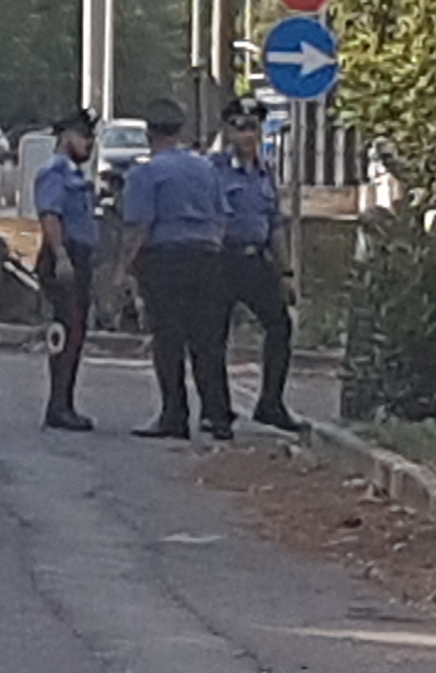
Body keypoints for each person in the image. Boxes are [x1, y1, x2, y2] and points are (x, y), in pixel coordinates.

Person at [121, 99, 233, 440]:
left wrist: (122, 270)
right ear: (180, 131)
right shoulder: (206, 169)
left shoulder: (145, 173)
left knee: (168, 339)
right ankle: (216, 415)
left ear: (148, 134)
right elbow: (222, 216)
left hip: (166, 259)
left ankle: (174, 414)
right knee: (208, 340)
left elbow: (139, 226)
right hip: (207, 257)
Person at [216, 102, 302, 432]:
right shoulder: (215, 171)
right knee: (214, 337)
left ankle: (270, 403)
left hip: (256, 260)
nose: (247, 135)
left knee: (279, 325)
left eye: (253, 127)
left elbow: (275, 225)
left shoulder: (265, 173)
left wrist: (286, 272)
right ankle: (218, 411)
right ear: (227, 132)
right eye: (240, 127)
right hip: (223, 260)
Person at [31, 109, 101, 432]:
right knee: (65, 329)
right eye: (83, 136)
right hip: (65, 255)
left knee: (75, 332)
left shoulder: (73, 173)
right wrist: (60, 255)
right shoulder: (56, 172)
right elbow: (50, 215)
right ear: (65, 137)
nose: (89, 143)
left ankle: (65, 402)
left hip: (78, 256)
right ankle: (58, 405)